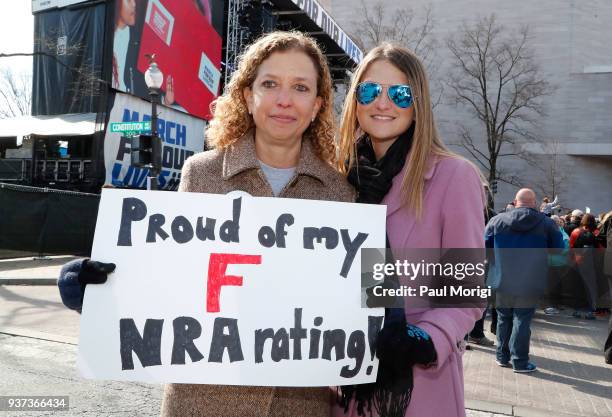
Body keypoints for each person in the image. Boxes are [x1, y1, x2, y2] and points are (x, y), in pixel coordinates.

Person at [59, 31, 354, 417]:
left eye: (300, 87)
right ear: (248, 96)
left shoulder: (342, 193)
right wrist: (91, 285)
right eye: (270, 84)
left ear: (317, 105)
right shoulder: (200, 174)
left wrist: (389, 311)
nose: (284, 99)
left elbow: (363, 297)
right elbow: (168, 275)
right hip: (202, 401)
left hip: (298, 405)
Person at [334, 43, 486, 417]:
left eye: (400, 94)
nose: (383, 103)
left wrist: (423, 340)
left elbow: (465, 294)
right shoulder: (337, 177)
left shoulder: (454, 176)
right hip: (343, 383)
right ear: (355, 101)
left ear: (418, 105)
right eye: (370, 91)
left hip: (416, 390)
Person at [485, 188, 564, 373]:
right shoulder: (546, 224)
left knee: (504, 318)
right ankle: (519, 361)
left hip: (502, 278)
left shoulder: (497, 221)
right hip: (530, 279)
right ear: (534, 203)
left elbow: (484, 247)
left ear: (515, 201)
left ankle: (502, 357)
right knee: (522, 319)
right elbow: (559, 250)